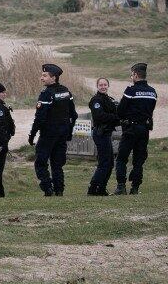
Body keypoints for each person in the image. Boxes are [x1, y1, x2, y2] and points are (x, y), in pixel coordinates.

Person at [28, 63, 77, 197]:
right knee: (57, 164)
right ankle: (59, 190)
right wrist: (69, 133)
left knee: (40, 163)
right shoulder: (66, 91)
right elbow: (74, 115)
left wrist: (31, 136)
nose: (41, 78)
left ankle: (48, 189)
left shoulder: (46, 94)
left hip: (48, 135)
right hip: (62, 134)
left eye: (45, 75)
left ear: (53, 77)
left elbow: (39, 118)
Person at [115, 62, 158, 195]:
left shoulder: (130, 90)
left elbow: (120, 111)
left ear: (135, 75)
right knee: (138, 159)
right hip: (144, 129)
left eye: (131, 75)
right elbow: (151, 109)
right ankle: (135, 188)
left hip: (130, 129)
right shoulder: (152, 92)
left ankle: (121, 186)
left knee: (122, 158)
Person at [86, 77, 118, 196]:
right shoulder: (96, 100)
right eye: (101, 85)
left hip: (106, 133)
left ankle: (101, 188)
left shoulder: (109, 100)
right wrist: (115, 118)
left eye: (105, 85)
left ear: (108, 86)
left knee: (110, 163)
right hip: (100, 134)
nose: (103, 87)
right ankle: (92, 188)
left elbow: (115, 114)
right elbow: (99, 116)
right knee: (104, 162)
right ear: (97, 86)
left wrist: (118, 118)